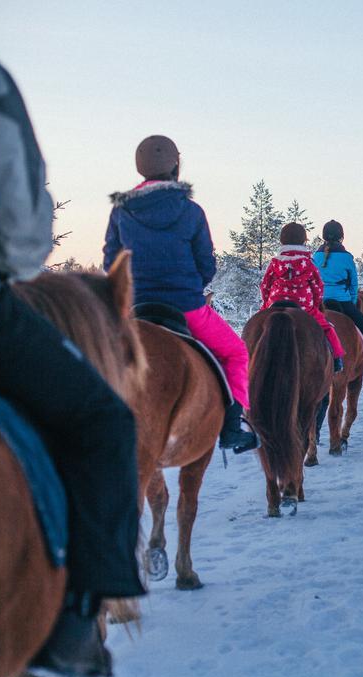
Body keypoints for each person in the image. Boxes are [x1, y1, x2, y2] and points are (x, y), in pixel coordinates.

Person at [0, 51, 144, 677]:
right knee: (104, 421)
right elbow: (23, 235)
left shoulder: (125, 210)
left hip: (135, 290)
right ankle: (75, 632)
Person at [103, 134, 257, 453]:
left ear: (140, 168)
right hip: (187, 307)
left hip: (135, 309)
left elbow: (111, 263)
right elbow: (206, 263)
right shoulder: (191, 211)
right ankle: (232, 427)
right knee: (236, 353)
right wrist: (191, 286)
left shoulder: (121, 211)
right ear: (175, 165)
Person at [259, 222, 345, 372]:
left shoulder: (275, 262)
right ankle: (337, 359)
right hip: (304, 307)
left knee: (255, 326)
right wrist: (316, 304)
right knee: (328, 328)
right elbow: (318, 287)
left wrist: (266, 303)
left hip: (274, 304)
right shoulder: (308, 263)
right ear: (304, 241)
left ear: (282, 241)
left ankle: (247, 355)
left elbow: (265, 285)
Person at [312, 220, 363, 387]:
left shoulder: (315, 256)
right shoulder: (346, 257)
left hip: (319, 303)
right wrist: (352, 302)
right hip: (343, 302)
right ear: (341, 236)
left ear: (323, 236)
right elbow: (353, 284)